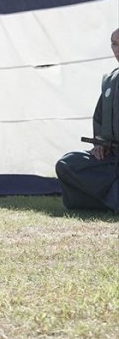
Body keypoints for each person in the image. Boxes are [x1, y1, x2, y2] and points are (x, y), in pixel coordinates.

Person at [55, 28, 119, 212]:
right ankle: (110, 202)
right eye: (114, 44)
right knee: (67, 164)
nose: (117, 49)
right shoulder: (111, 81)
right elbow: (99, 119)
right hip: (111, 156)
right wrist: (99, 142)